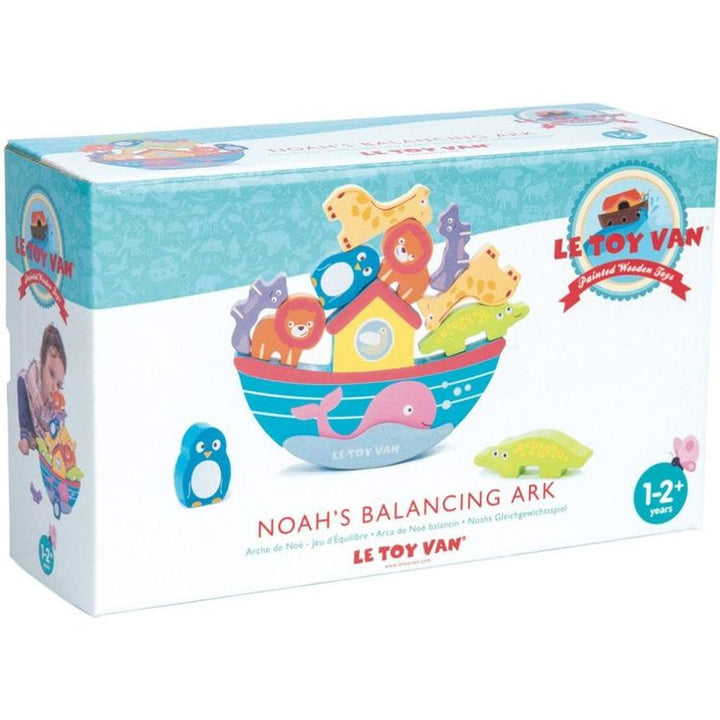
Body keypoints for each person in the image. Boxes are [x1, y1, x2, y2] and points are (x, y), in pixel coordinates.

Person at [17, 324, 67, 455]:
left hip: (40, 430)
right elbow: (29, 377)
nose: (54, 387)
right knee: (21, 378)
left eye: (59, 384)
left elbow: (50, 424)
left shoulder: (53, 402)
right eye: (51, 374)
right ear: (42, 362)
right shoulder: (35, 372)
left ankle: (36, 440)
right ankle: (25, 435)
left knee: (53, 432)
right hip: (29, 412)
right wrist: (35, 394)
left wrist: (57, 415)